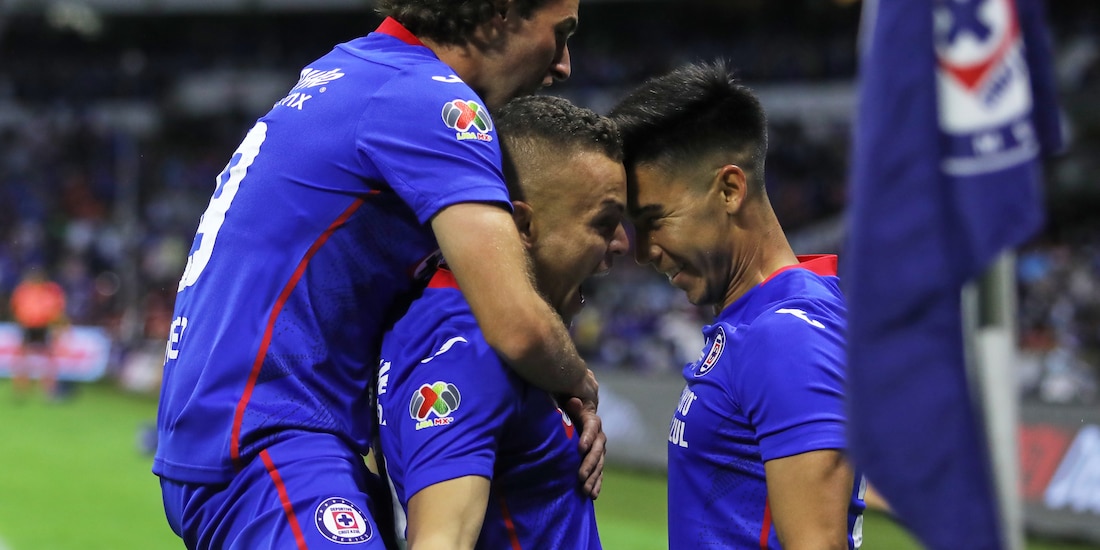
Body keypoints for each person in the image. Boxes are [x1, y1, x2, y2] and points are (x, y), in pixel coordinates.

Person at [153, 1, 606, 548]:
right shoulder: (434, 100)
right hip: (269, 437)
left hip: (240, 432)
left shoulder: (357, 69)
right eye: (560, 34)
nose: (564, 65)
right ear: (504, 12)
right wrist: (579, 387)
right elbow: (518, 324)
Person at [609, 60, 866, 550]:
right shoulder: (763, 321)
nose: (642, 252)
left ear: (729, 189)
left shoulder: (789, 335)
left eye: (654, 220)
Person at [375, 94, 628, 549]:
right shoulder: (472, 352)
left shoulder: (458, 316)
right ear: (523, 227)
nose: (622, 244)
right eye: (604, 223)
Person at [9, 265, 67, 400]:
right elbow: (16, 308)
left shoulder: (51, 290)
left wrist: (57, 325)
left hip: (43, 326)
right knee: (22, 358)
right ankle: (21, 389)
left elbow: (56, 310)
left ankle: (48, 389)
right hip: (28, 326)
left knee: (48, 359)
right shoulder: (24, 290)